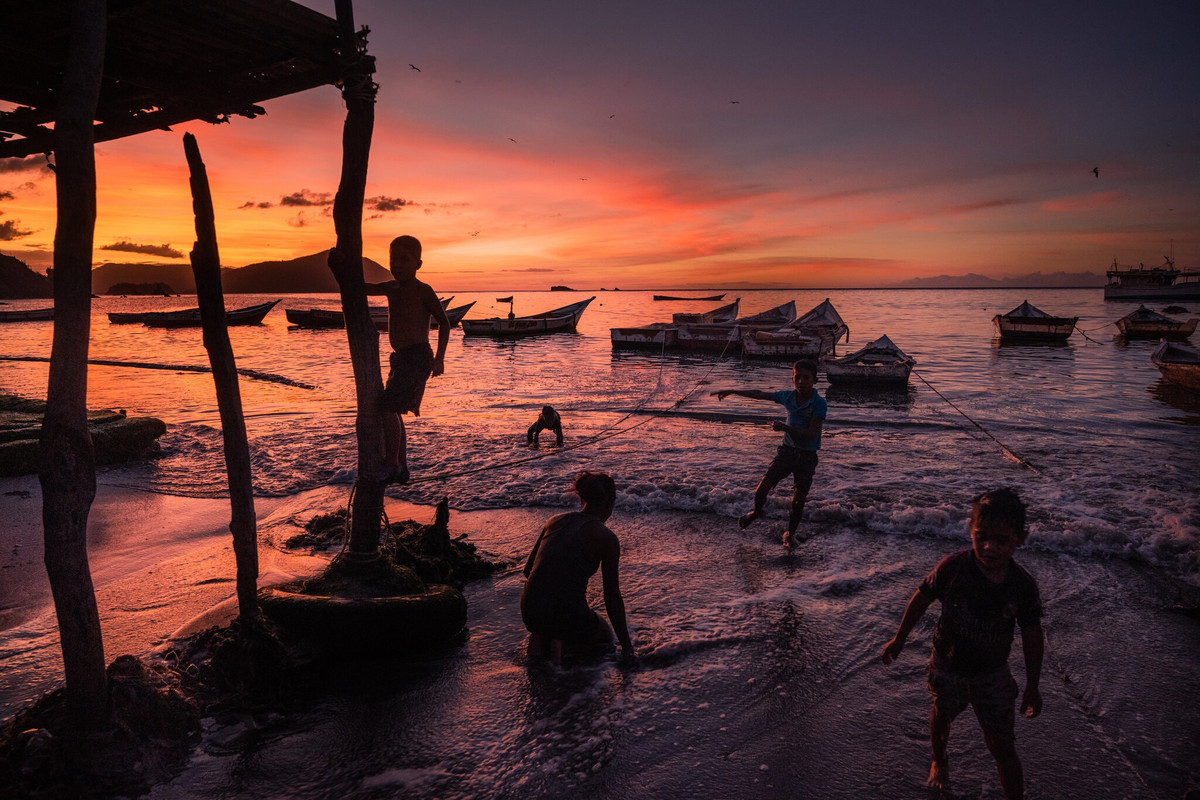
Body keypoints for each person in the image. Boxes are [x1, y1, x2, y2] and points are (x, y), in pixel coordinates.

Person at [881, 488, 1045, 800]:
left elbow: (1032, 635)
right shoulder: (954, 568)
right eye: (981, 536)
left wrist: (1033, 686)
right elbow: (921, 598)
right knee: (941, 717)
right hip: (947, 664)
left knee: (1002, 745)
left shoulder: (1021, 586)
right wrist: (899, 639)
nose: (989, 547)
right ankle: (939, 759)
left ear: (1020, 538)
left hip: (992, 674)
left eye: (1001, 540)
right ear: (970, 530)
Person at [521, 471, 635, 664]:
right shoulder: (606, 538)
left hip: (530, 613)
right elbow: (612, 597)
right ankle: (564, 647)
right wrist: (627, 648)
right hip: (567, 616)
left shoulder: (554, 521)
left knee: (556, 615)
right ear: (611, 501)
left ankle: (543, 640)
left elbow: (528, 570)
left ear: (582, 497)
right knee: (605, 634)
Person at [711, 358, 826, 548]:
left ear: (815, 380)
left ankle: (790, 533)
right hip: (786, 453)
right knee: (762, 488)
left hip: (807, 457)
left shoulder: (819, 404)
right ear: (792, 379)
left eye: (806, 378)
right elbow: (760, 394)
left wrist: (785, 428)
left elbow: (810, 435)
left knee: (798, 500)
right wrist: (733, 391)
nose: (801, 382)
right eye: (797, 378)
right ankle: (756, 512)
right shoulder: (788, 396)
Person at [365, 235, 451, 485]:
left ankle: (392, 464)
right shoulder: (391, 288)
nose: (398, 265)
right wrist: (343, 272)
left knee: (388, 407)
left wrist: (439, 358)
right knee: (394, 410)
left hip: (418, 357)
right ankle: (400, 466)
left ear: (418, 264)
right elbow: (362, 287)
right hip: (400, 359)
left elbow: (444, 323)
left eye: (405, 260)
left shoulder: (422, 290)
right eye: (394, 260)